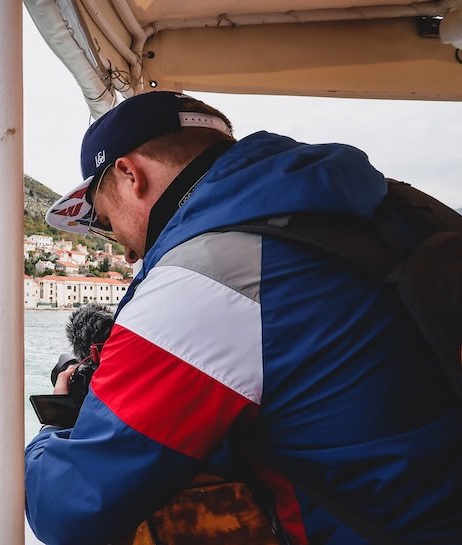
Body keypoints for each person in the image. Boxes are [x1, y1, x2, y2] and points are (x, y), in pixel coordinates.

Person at [25, 91, 462, 545]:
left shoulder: (209, 274)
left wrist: (55, 427)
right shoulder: (384, 212)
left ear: (130, 174)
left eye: (105, 219)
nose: (127, 249)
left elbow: (71, 511)